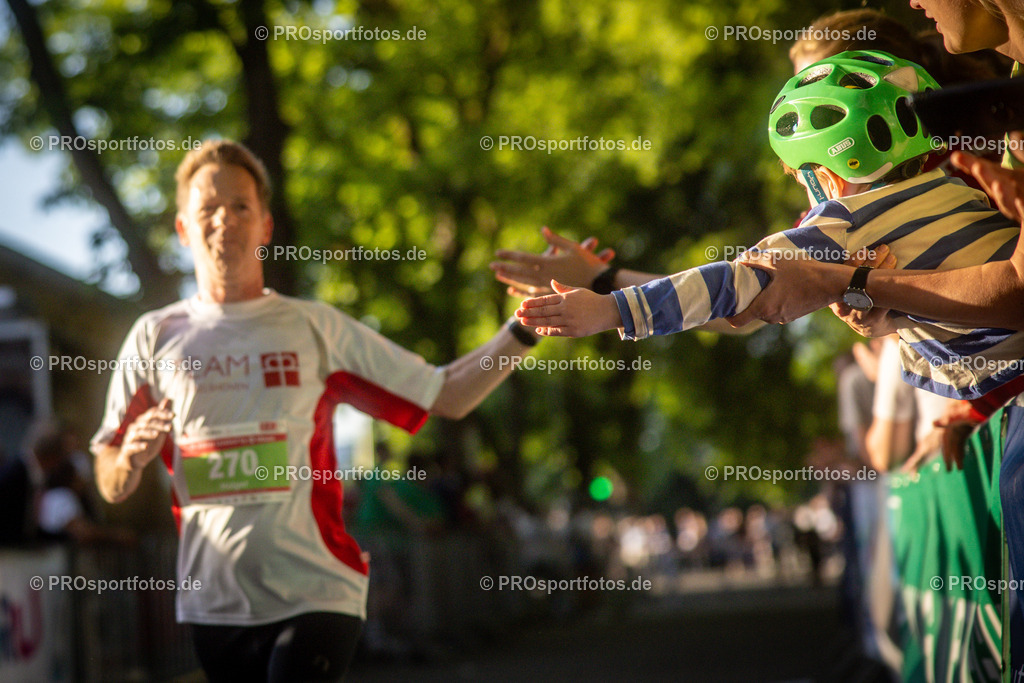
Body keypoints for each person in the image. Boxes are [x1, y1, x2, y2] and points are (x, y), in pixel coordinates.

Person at [90, 139, 542, 683]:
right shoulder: (153, 337)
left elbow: (448, 393)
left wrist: (526, 326)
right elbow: (110, 480)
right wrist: (130, 461)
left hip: (317, 593)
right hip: (214, 605)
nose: (224, 221)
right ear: (184, 228)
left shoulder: (313, 327)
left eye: (241, 207)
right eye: (208, 209)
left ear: (265, 226)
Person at [516, 50, 1023, 403]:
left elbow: (731, 286)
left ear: (825, 177)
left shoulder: (840, 223)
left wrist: (611, 309)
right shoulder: (959, 188)